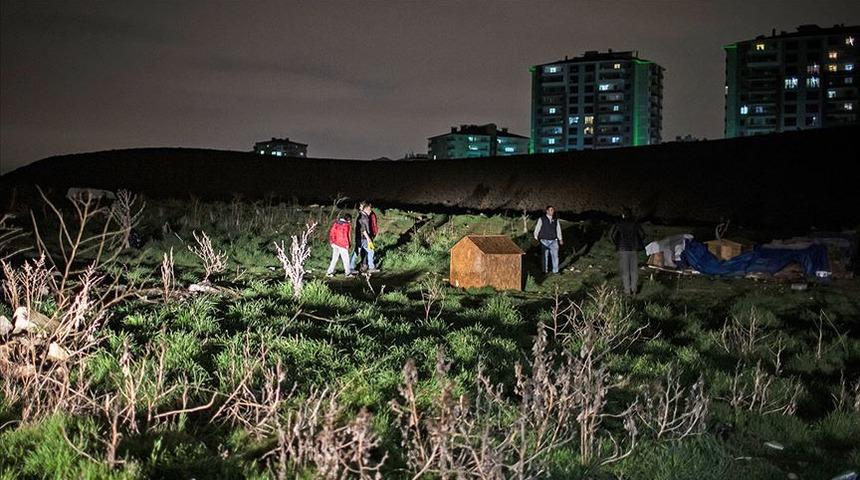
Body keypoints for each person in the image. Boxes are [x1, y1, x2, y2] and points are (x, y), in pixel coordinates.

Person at [609, 208, 645, 295]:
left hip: (622, 248)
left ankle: (627, 290)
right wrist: (638, 242)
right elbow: (643, 234)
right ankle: (634, 289)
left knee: (625, 270)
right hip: (633, 248)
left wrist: (617, 243)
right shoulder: (635, 223)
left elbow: (611, 235)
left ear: (623, 215)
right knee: (634, 270)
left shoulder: (618, 223)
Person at [533, 205, 563, 274]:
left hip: (554, 241)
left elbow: (558, 230)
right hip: (544, 241)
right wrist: (535, 237)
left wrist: (560, 239)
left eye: (553, 210)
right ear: (547, 211)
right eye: (550, 210)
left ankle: (555, 271)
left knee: (555, 256)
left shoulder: (556, 220)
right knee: (544, 257)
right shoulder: (541, 219)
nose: (552, 211)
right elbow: (537, 229)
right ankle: (544, 271)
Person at [350, 202, 378, 273]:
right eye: (369, 210)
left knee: (356, 253)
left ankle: (351, 267)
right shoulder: (363, 218)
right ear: (366, 209)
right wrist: (369, 239)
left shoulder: (362, 216)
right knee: (371, 251)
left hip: (360, 238)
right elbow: (363, 230)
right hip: (364, 239)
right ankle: (371, 267)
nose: (370, 211)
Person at [326, 213, 352, 277]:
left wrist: (331, 241)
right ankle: (348, 273)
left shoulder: (336, 223)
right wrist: (347, 244)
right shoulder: (346, 225)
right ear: (348, 219)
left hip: (335, 243)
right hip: (342, 244)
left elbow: (332, 232)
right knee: (346, 259)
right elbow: (345, 236)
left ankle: (329, 272)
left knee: (334, 258)